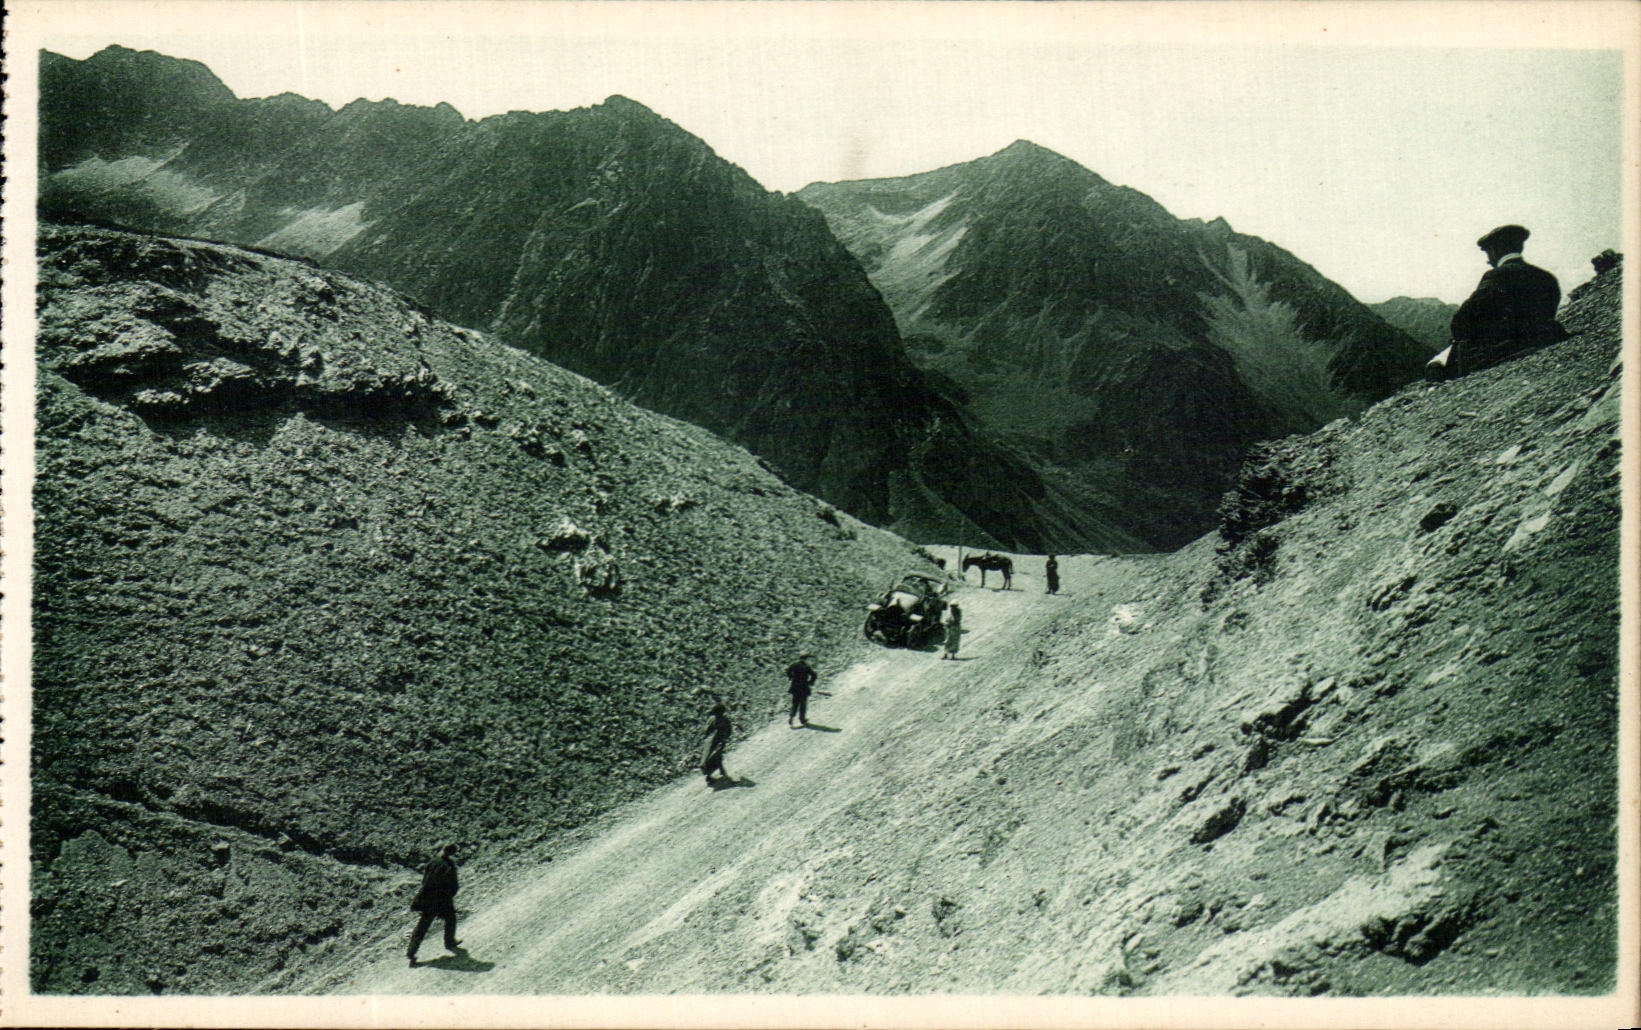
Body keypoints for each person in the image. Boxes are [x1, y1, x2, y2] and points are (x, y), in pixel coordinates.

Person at [1430, 224, 1564, 379]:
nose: (1488, 260)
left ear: (1494, 251)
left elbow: (1462, 320)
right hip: (1545, 335)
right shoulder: (1546, 277)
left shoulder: (1496, 276)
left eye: (1488, 253)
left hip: (1509, 347)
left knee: (1438, 365)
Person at [407, 843, 461, 966]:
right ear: (451, 853)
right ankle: (449, 942)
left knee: (423, 925)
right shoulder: (449, 865)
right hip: (442, 899)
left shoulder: (432, 862)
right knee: (451, 919)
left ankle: (411, 951)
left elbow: (424, 880)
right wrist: (449, 896)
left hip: (428, 898)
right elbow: (454, 886)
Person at [701, 701, 733, 784]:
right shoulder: (724, 720)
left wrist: (707, 736)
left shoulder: (712, 719)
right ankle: (712, 774)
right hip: (718, 741)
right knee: (715, 757)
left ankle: (717, 772)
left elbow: (706, 730)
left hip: (713, 741)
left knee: (713, 757)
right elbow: (729, 731)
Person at [786, 653, 818, 727]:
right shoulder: (806, 667)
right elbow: (814, 675)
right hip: (803, 687)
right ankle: (802, 719)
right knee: (803, 704)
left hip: (795, 687)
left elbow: (788, 671)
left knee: (795, 703)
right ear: (805, 659)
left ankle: (791, 717)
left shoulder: (794, 665)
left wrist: (790, 677)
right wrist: (810, 682)